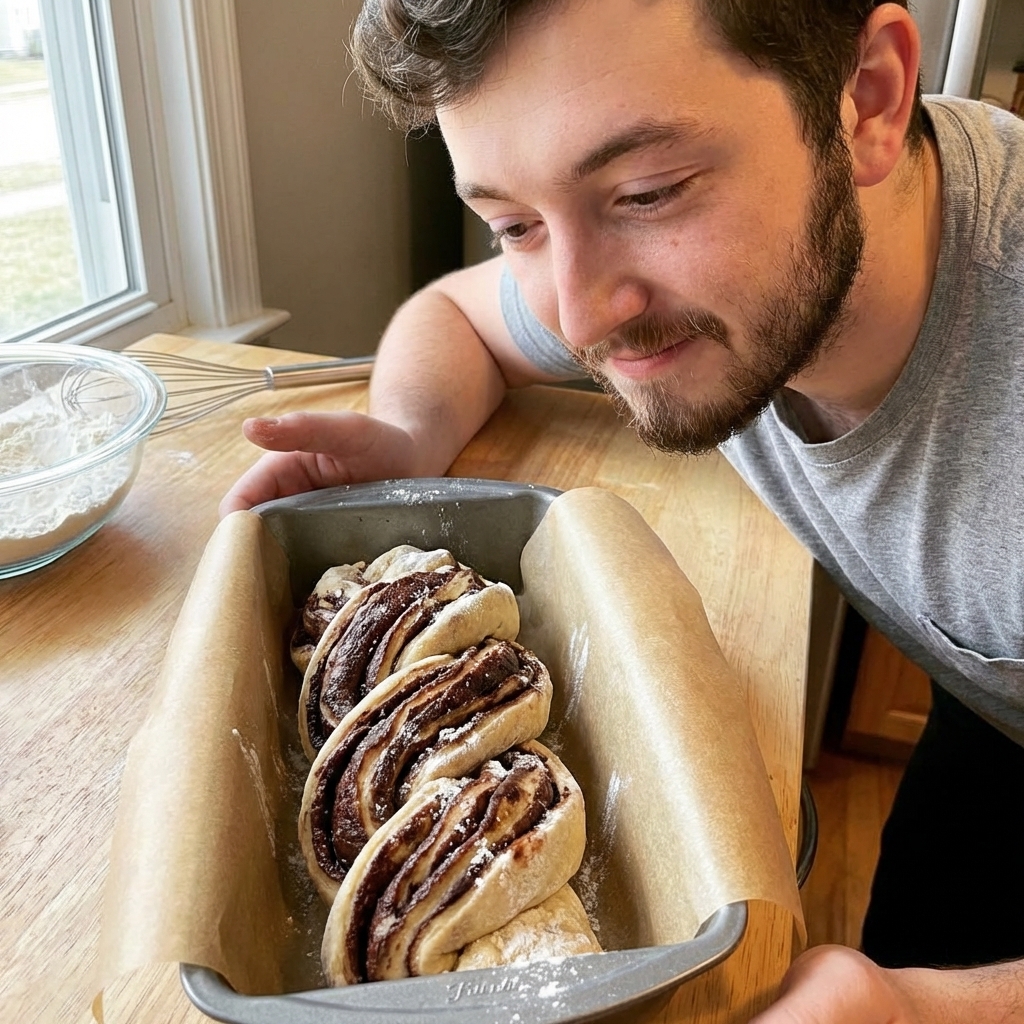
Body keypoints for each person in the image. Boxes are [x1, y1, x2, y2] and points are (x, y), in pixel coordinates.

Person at [222, 0, 1024, 1018]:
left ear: (866, 99)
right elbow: (456, 316)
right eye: (514, 223)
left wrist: (931, 1012)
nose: (578, 310)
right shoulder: (657, 268)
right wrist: (409, 432)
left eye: (646, 193)